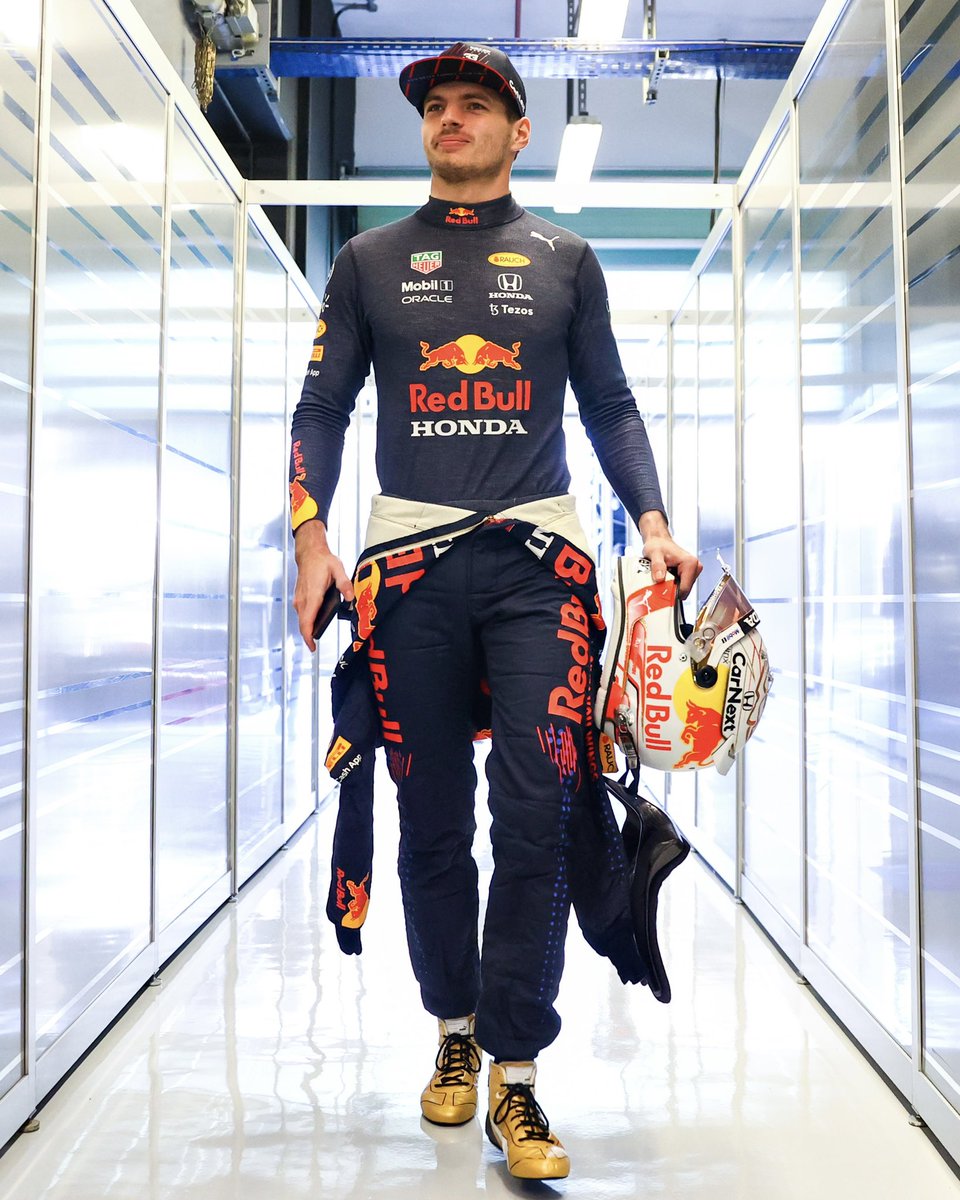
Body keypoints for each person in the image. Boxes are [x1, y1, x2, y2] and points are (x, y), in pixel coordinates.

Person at [289, 42, 701, 1181]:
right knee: (431, 822)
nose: (450, 119)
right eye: (437, 105)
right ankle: (455, 1030)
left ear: (520, 133)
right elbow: (321, 405)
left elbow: (610, 402)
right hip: (407, 574)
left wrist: (654, 523)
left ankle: (517, 1074)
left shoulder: (566, 261)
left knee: (537, 812)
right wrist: (310, 538)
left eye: (476, 105)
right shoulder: (368, 262)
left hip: (539, 573)